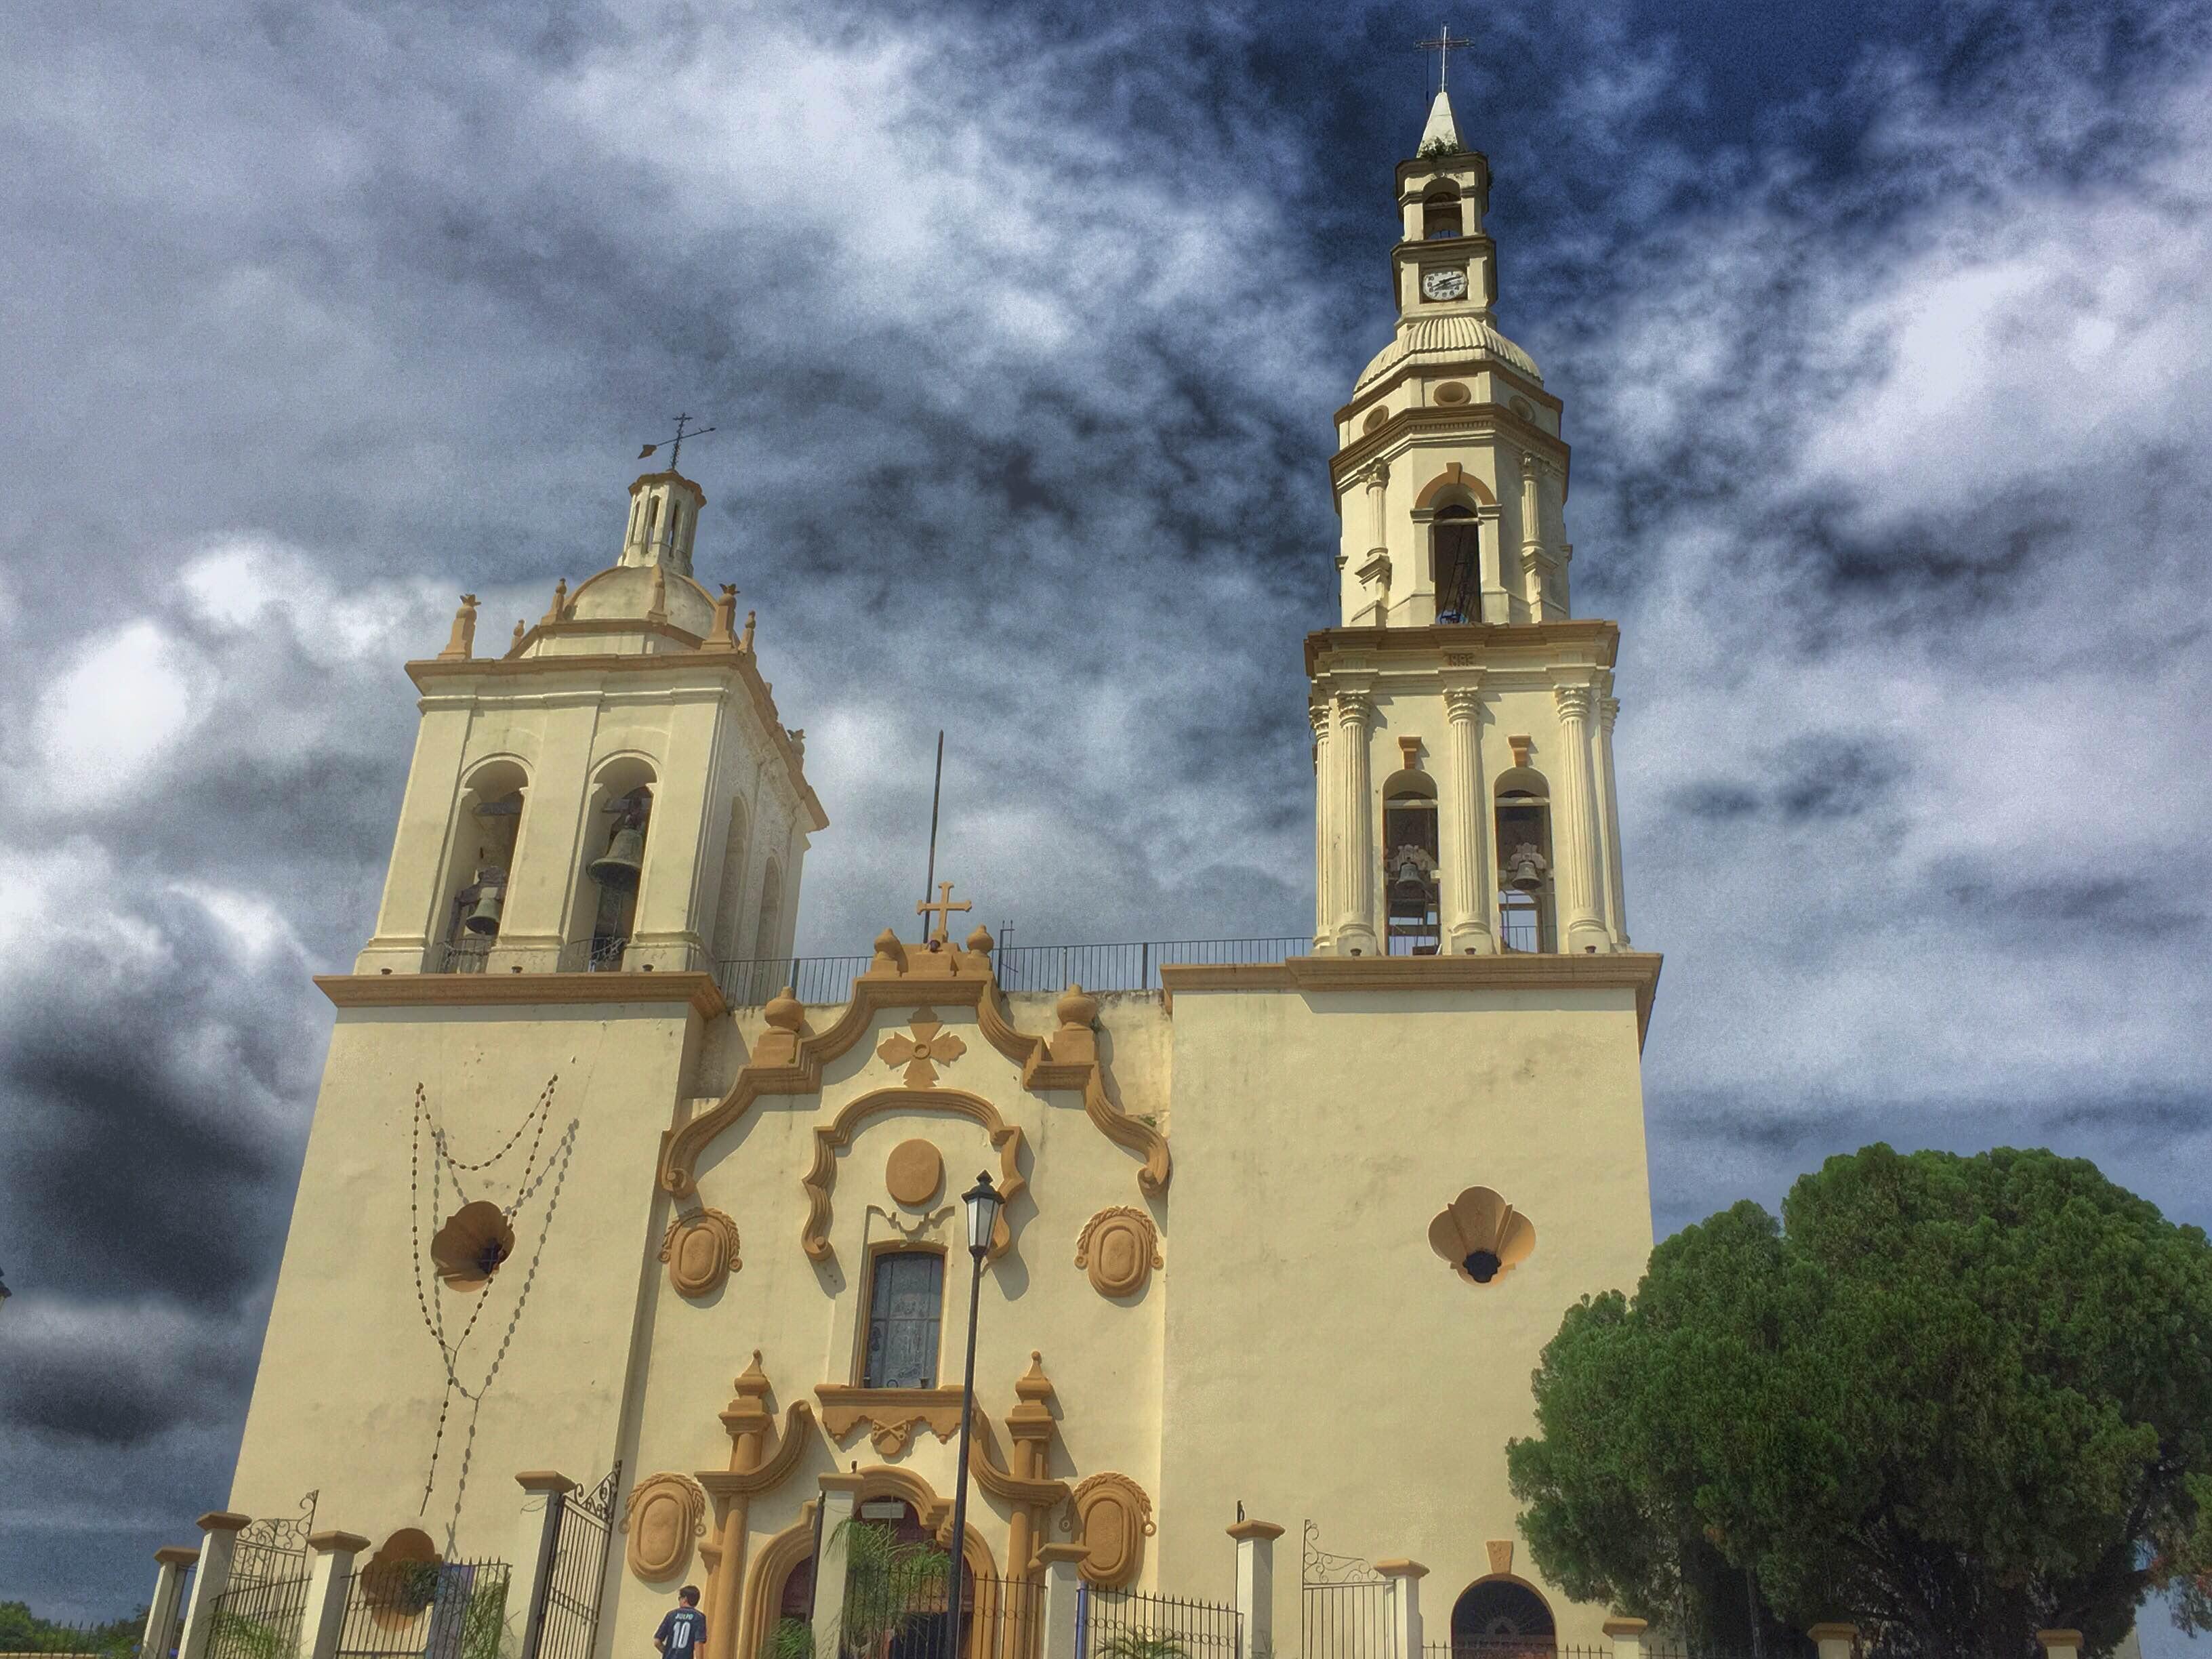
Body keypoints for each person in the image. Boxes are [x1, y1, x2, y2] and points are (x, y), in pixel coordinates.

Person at [655, 1586, 707, 1659]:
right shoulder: (699, 1617)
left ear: (685, 1599)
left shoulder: (671, 1615)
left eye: (680, 1598)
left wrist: (667, 1653)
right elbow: (698, 1643)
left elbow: (657, 1642)